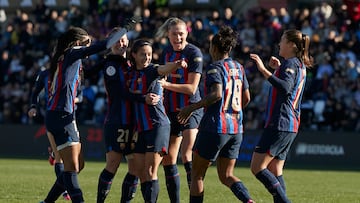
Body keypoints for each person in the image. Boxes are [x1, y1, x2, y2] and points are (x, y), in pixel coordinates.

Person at [39, 20, 139, 203]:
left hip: (62, 115)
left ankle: (47, 202)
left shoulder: (67, 59)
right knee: (72, 167)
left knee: (78, 165)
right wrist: (124, 29)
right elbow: (101, 46)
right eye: (87, 42)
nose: (89, 46)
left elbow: (88, 73)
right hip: (62, 116)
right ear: (78, 43)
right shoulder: (72, 53)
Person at [177, 25, 254, 203]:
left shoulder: (215, 68)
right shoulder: (239, 67)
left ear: (214, 48)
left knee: (197, 175)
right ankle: (249, 201)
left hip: (214, 127)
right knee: (227, 175)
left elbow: (216, 94)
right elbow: (247, 97)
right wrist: (233, 112)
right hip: (236, 130)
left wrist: (191, 107)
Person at [249, 29, 312, 203]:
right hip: (290, 124)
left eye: (282, 41)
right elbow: (289, 85)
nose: (279, 44)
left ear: (292, 45)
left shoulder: (290, 63)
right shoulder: (297, 64)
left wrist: (264, 70)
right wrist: (278, 70)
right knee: (275, 170)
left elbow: (285, 88)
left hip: (280, 122)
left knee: (256, 167)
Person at [83, 27, 145, 203]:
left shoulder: (132, 63)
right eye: (117, 40)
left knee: (135, 168)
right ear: (110, 43)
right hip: (117, 121)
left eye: (123, 39)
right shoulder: (110, 64)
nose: (121, 43)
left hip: (135, 122)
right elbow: (119, 93)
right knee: (113, 164)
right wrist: (143, 98)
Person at [128, 39, 187, 203]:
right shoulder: (131, 73)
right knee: (140, 171)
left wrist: (176, 64)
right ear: (134, 55)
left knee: (151, 171)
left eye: (149, 54)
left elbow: (163, 68)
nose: (146, 57)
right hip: (141, 128)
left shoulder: (153, 70)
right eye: (142, 54)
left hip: (157, 126)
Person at [155, 17, 204, 203]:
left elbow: (192, 88)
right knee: (168, 158)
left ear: (187, 33)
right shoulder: (167, 52)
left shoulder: (194, 53)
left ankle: (195, 199)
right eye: (174, 34)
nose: (178, 37)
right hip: (170, 109)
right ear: (168, 35)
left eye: (181, 34)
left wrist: (165, 85)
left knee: (187, 153)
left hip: (190, 108)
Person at [28, 67, 74, 201]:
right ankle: (64, 190)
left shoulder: (71, 70)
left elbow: (80, 94)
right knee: (60, 158)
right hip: (52, 116)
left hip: (70, 117)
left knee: (74, 160)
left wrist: (74, 99)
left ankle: (54, 154)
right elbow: (35, 92)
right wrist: (33, 106)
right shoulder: (45, 74)